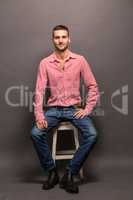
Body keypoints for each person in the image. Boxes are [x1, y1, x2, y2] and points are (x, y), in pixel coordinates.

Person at [31, 25, 100, 194]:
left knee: (92, 134)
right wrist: (39, 115)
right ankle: (52, 172)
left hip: (73, 109)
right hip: (53, 109)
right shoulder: (45, 63)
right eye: (57, 37)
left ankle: (69, 173)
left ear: (69, 39)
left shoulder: (80, 60)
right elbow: (39, 91)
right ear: (53, 39)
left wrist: (87, 109)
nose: (60, 40)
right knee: (35, 133)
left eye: (63, 37)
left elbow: (93, 86)